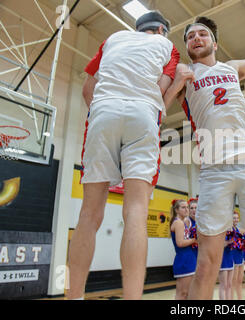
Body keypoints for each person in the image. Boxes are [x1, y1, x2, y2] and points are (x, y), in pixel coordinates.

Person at [163, 0, 245, 300]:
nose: (196, 39)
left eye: (202, 34)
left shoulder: (232, 68)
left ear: (214, 42)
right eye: (190, 36)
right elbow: (158, 111)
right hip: (214, 171)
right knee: (206, 265)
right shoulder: (185, 74)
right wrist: (177, 81)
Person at [67, 11, 180, 300]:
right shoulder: (169, 48)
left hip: (104, 109)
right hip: (142, 113)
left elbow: (87, 88)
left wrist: (103, 116)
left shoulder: (112, 39)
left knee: (89, 215)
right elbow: (161, 93)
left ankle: (73, 296)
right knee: (136, 214)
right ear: (161, 31)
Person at [170, 199, 197, 299]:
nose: (187, 209)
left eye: (187, 207)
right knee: (183, 293)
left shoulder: (182, 222)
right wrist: (195, 239)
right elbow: (180, 243)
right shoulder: (178, 223)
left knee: (187, 293)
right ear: (176, 210)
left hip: (188, 259)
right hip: (184, 260)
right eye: (183, 207)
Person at [231, 212, 245, 300]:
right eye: (234, 218)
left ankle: (240, 298)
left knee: (240, 281)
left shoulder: (239, 230)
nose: (236, 219)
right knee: (233, 281)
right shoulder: (230, 230)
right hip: (233, 256)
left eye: (237, 218)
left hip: (240, 255)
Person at [218, 228, 234, 300]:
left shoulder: (232, 230)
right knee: (223, 285)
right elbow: (219, 244)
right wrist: (228, 242)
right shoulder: (219, 230)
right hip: (222, 259)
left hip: (230, 258)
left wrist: (235, 242)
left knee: (229, 284)